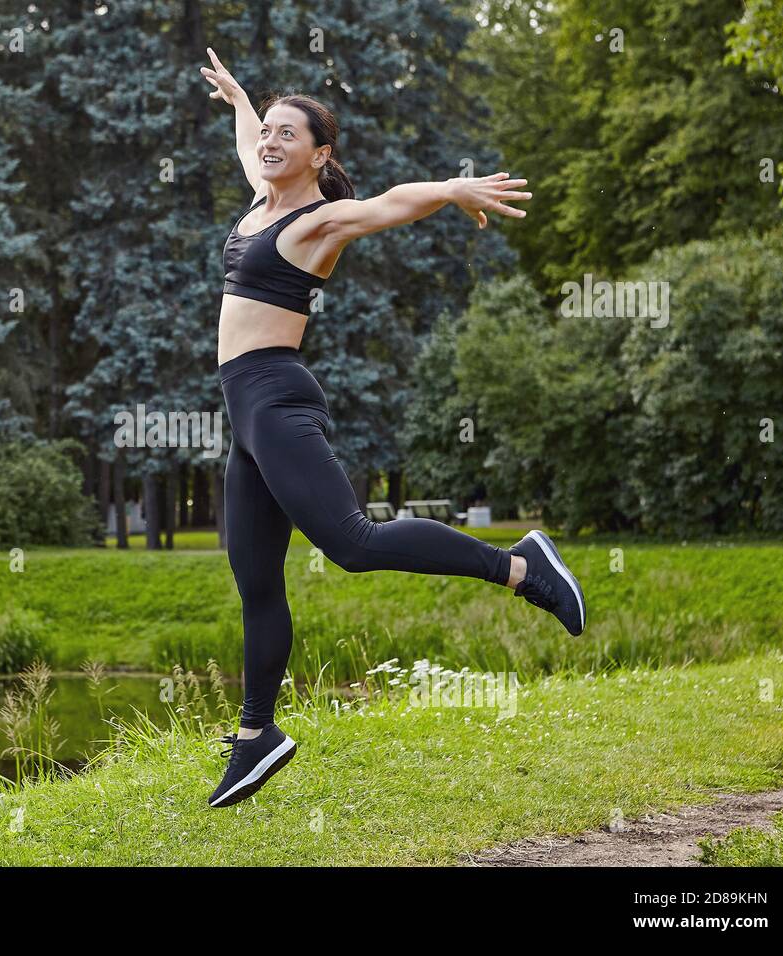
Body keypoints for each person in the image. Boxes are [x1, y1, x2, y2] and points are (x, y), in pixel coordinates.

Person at [199, 48, 585, 809]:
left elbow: (390, 204)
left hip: (276, 397)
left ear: (321, 155)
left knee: (353, 543)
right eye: (269, 133)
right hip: (243, 409)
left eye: (288, 135)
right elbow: (249, 144)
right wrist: (244, 100)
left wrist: (448, 189)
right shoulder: (259, 202)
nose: (271, 142)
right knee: (255, 578)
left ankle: (521, 567)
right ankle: (256, 737)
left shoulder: (319, 220)